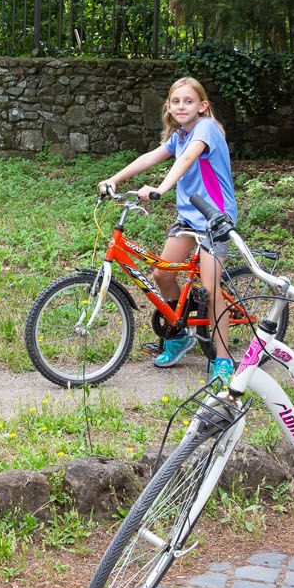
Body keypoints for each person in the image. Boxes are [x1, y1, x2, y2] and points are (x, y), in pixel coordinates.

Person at [98, 76, 240, 382]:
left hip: (214, 218)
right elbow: (152, 156)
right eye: (176, 101)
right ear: (168, 106)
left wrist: (160, 188)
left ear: (202, 106)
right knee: (162, 274)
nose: (181, 106)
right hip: (190, 218)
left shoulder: (206, 129)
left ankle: (225, 359)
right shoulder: (179, 134)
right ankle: (179, 334)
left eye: (189, 101)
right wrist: (115, 178)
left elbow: (188, 159)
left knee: (211, 286)